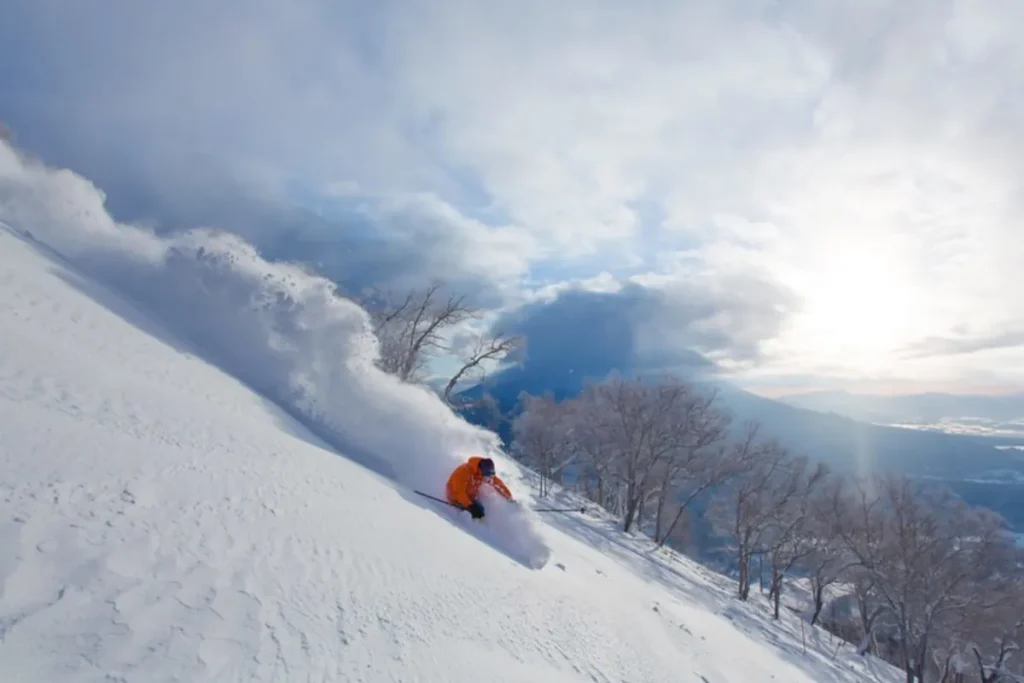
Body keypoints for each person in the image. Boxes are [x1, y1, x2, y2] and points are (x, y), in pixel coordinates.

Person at [446, 456, 513, 520]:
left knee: (482, 510)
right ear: (480, 470)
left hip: (470, 496)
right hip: (455, 497)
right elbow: (458, 492)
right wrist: (470, 506)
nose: (488, 477)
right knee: (476, 513)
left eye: (489, 475)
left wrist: (509, 497)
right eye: (487, 475)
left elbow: (497, 483)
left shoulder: (483, 474)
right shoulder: (464, 471)